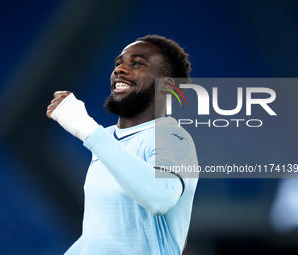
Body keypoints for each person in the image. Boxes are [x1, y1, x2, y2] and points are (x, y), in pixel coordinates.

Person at [46, 35, 198, 255]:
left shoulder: (173, 137)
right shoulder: (105, 139)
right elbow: (101, 233)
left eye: (137, 63)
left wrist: (85, 127)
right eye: (118, 63)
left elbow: (160, 198)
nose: (120, 69)